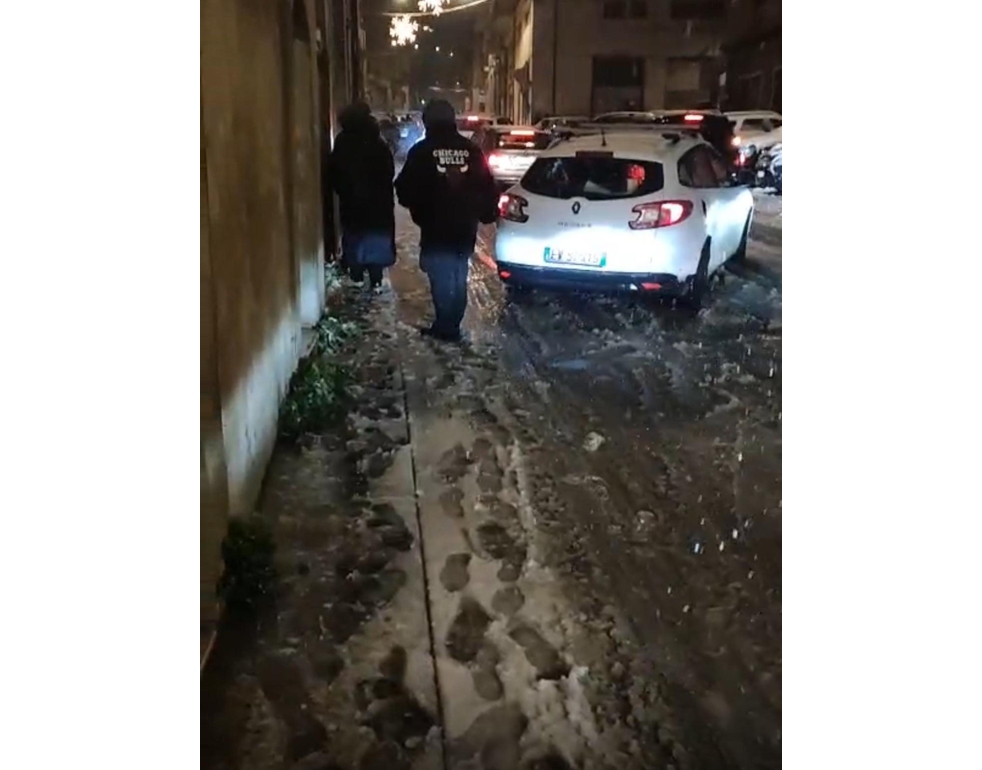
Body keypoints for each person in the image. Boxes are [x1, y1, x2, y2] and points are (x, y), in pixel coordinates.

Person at [395, 99, 498, 342]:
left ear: (427, 121)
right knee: (458, 273)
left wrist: (419, 206)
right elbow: (487, 186)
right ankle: (452, 322)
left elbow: (405, 188)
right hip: (464, 226)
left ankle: (446, 326)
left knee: (440, 274)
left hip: (435, 226)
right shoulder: (471, 150)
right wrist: (483, 212)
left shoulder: (422, 151)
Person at [326, 101, 396, 292]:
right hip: (378, 202)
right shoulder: (377, 140)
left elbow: (335, 171)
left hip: (352, 201)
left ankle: (356, 276)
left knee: (354, 236)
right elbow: (388, 170)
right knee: (376, 237)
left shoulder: (343, 142)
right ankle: (376, 279)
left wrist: (344, 189)